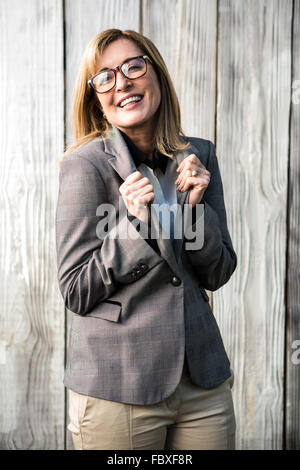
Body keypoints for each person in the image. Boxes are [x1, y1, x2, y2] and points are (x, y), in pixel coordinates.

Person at [55, 28, 237, 450]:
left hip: (202, 384)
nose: (122, 83)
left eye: (133, 66)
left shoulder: (200, 155)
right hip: (119, 387)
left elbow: (220, 271)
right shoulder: (83, 166)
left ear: (154, 73)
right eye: (105, 77)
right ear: (96, 97)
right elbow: (75, 290)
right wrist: (133, 227)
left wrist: (197, 212)